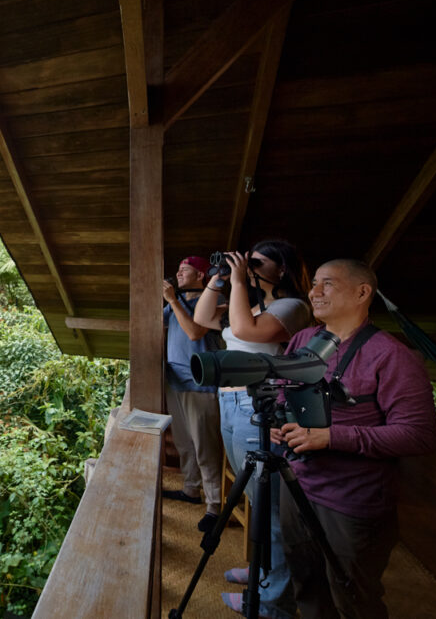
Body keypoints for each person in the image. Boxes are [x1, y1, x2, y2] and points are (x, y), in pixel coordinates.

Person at [273, 259, 436, 619]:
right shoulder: (302, 339)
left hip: (352, 499)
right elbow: (286, 391)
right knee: (307, 583)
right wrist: (282, 421)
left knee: (353, 595)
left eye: (326, 284)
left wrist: (332, 437)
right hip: (296, 485)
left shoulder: (392, 356)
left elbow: (418, 435)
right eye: (314, 284)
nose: (313, 293)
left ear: (363, 292)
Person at [192, 239, 313, 619]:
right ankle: (264, 571)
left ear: (282, 270)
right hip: (231, 402)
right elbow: (202, 319)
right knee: (253, 493)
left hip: (258, 406)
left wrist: (241, 281)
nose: (249, 266)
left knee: (272, 506)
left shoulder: (291, 307)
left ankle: (273, 601)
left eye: (258, 262)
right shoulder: (254, 303)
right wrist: (218, 280)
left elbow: (245, 329)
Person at [162, 256, 224, 533]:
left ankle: (215, 506)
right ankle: (190, 489)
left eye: (183, 270)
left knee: (205, 446)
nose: (178, 273)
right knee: (185, 442)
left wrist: (173, 300)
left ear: (201, 274)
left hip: (202, 384)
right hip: (175, 381)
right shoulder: (175, 303)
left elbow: (194, 331)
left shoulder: (212, 302)